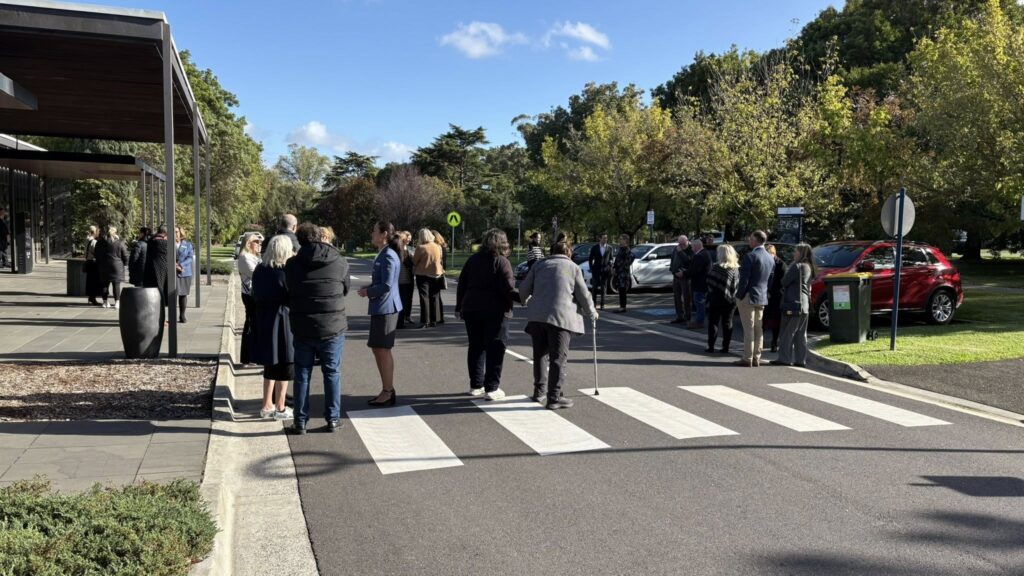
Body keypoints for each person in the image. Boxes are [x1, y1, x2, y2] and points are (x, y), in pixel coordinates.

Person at [285, 223, 350, 434]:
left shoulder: (292, 264)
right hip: (332, 326)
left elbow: (288, 290)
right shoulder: (339, 262)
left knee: (302, 374)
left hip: (303, 325)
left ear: (300, 241)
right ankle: (332, 418)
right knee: (332, 372)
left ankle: (300, 421)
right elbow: (345, 288)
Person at [519, 236, 597, 409]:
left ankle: (539, 392)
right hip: (560, 317)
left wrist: (524, 300)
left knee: (540, 354)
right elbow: (583, 294)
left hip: (537, 317)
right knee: (558, 358)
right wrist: (592, 312)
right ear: (568, 253)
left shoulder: (539, 265)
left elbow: (524, 288)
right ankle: (554, 397)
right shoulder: (573, 267)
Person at [456, 228, 519, 401]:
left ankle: (476, 385)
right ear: (503, 244)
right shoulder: (502, 262)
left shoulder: (473, 260)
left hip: (471, 307)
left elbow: (462, 283)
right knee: (496, 348)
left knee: (476, 346)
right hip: (495, 310)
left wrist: (458, 306)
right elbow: (508, 288)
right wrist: (523, 297)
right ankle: (492, 387)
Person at [358, 221, 404, 407]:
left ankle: (388, 391)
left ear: (384, 234)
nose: (372, 233)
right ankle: (386, 389)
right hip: (381, 307)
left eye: (374, 230)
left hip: (386, 308)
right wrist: (369, 288)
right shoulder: (384, 253)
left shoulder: (389, 255)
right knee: (378, 348)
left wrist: (369, 292)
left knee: (383, 350)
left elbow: (386, 285)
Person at [251, 235, 295, 420]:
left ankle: (266, 405)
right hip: (283, 318)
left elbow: (254, 293)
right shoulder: (285, 271)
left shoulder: (260, 269)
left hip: (263, 318)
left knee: (270, 363)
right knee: (285, 363)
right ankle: (280, 406)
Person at [735, 230, 775, 367]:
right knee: (758, 329)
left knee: (749, 329)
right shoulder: (770, 258)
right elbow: (770, 279)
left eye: (751, 238)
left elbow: (744, 280)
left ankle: (747, 358)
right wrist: (765, 291)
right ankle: (757, 357)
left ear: (757, 240)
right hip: (761, 296)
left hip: (748, 296)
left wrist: (739, 295)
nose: (749, 240)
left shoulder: (750, 256)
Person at [771, 243, 815, 367]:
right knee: (800, 334)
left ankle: (784, 358)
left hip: (792, 303)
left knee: (787, 332)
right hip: (804, 304)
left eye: (796, 251)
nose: (794, 253)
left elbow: (784, 282)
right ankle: (800, 360)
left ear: (801, 253)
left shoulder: (797, 266)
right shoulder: (808, 266)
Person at [706, 244, 740, 353]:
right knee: (727, 323)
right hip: (731, 300)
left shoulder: (716, 267)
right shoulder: (736, 268)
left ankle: (711, 346)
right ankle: (726, 347)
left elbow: (709, 282)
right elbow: (736, 285)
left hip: (716, 298)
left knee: (713, 322)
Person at [237, 232, 263, 364]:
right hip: (250, 294)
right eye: (256, 242)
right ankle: (247, 356)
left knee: (256, 324)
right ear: (248, 243)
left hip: (256, 293)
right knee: (251, 324)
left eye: (260, 242)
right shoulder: (245, 257)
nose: (259, 244)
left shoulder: (255, 256)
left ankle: (254, 354)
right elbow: (257, 275)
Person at [413, 228, 444, 328]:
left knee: (424, 298)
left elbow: (414, 261)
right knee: (434, 297)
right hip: (436, 274)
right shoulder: (438, 247)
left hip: (423, 274)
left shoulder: (421, 247)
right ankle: (434, 319)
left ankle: (425, 321)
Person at [95, 226, 129, 309]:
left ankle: (105, 302)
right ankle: (117, 302)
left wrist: (100, 262)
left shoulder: (100, 242)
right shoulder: (119, 242)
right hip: (116, 266)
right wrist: (125, 263)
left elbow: (96, 254)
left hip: (103, 266)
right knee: (116, 284)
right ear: (115, 233)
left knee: (104, 284)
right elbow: (125, 255)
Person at [762, 244, 787, 353]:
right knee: (763, 320)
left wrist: (772, 292)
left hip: (776, 296)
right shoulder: (765, 263)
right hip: (765, 294)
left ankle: (774, 342)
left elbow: (782, 283)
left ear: (773, 254)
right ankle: (759, 342)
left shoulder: (781, 265)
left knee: (775, 321)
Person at [688, 239, 712, 329]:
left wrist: (685, 273)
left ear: (696, 246)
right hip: (703, 282)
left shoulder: (700, 255)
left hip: (700, 283)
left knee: (699, 302)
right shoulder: (705, 253)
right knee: (699, 302)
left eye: (692, 246)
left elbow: (695, 270)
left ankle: (699, 322)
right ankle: (699, 320)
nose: (691, 248)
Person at [143, 225, 170, 304]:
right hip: (164, 269)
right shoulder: (164, 242)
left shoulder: (151, 240)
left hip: (151, 269)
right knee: (162, 289)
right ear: (165, 233)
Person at [670, 235, 693, 324]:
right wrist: (673, 271)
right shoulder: (676, 249)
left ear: (687, 241)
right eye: (679, 244)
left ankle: (688, 317)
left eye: (683, 244)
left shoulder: (690, 249)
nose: (681, 246)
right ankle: (679, 316)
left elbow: (689, 261)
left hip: (685, 278)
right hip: (676, 277)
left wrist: (681, 252)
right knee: (677, 297)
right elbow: (672, 260)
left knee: (687, 298)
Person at [174, 226, 195, 324]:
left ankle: (182, 315)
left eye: (176, 232)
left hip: (184, 272)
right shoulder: (168, 244)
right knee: (171, 295)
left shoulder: (187, 245)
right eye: (173, 232)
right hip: (172, 272)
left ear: (180, 233)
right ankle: (171, 315)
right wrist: (174, 265)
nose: (175, 234)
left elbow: (190, 257)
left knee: (183, 295)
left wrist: (181, 265)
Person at [588, 234, 613, 310]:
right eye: (604, 238)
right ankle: (594, 304)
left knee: (603, 288)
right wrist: (591, 268)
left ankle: (602, 304)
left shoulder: (609, 248)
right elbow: (590, 258)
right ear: (600, 238)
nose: (605, 239)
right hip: (596, 270)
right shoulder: (595, 247)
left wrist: (610, 265)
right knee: (594, 288)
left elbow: (611, 258)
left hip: (605, 270)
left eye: (606, 238)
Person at [396, 230, 415, 329]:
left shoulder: (406, 249)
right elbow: (409, 264)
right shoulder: (402, 251)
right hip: (403, 279)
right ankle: (400, 322)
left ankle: (403, 318)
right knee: (402, 300)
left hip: (404, 279)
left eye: (410, 239)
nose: (409, 240)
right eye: (407, 239)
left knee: (405, 300)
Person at [612, 234, 634, 313]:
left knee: (622, 289)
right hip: (619, 273)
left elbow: (631, 257)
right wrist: (614, 268)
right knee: (620, 289)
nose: (620, 240)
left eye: (621, 239)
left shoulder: (626, 249)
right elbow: (617, 260)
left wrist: (623, 265)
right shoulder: (621, 249)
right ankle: (622, 306)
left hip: (623, 273)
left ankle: (623, 307)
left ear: (625, 240)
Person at [431, 230, 448, 324]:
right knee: (438, 295)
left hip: (436, 273)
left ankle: (436, 317)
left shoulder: (437, 247)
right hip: (441, 272)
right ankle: (440, 316)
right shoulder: (443, 247)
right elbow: (444, 262)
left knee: (434, 295)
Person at [85, 225, 101, 305]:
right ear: (94, 232)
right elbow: (96, 253)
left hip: (88, 262)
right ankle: (92, 298)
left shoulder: (87, 240)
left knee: (89, 281)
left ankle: (90, 298)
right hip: (93, 263)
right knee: (94, 281)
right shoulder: (94, 242)